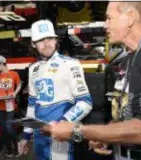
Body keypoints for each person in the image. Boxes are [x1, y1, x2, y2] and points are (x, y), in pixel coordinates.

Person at [44, 2, 141, 160]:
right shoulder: (129, 60)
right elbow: (127, 115)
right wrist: (105, 136)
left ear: (130, 18)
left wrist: (77, 131)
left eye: (109, 18)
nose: (105, 25)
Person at [18, 19, 92, 160]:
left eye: (50, 38)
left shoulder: (71, 64)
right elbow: (32, 105)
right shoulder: (33, 69)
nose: (46, 44)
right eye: (41, 40)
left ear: (55, 40)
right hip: (39, 138)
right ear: (33, 44)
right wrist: (26, 135)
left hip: (60, 136)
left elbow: (85, 102)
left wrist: (62, 124)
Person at [0, 55, 22, 158]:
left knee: (8, 127)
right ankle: (9, 148)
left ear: (1, 63)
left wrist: (15, 92)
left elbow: (19, 84)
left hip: (9, 105)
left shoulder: (14, 74)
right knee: (4, 129)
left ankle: (18, 146)